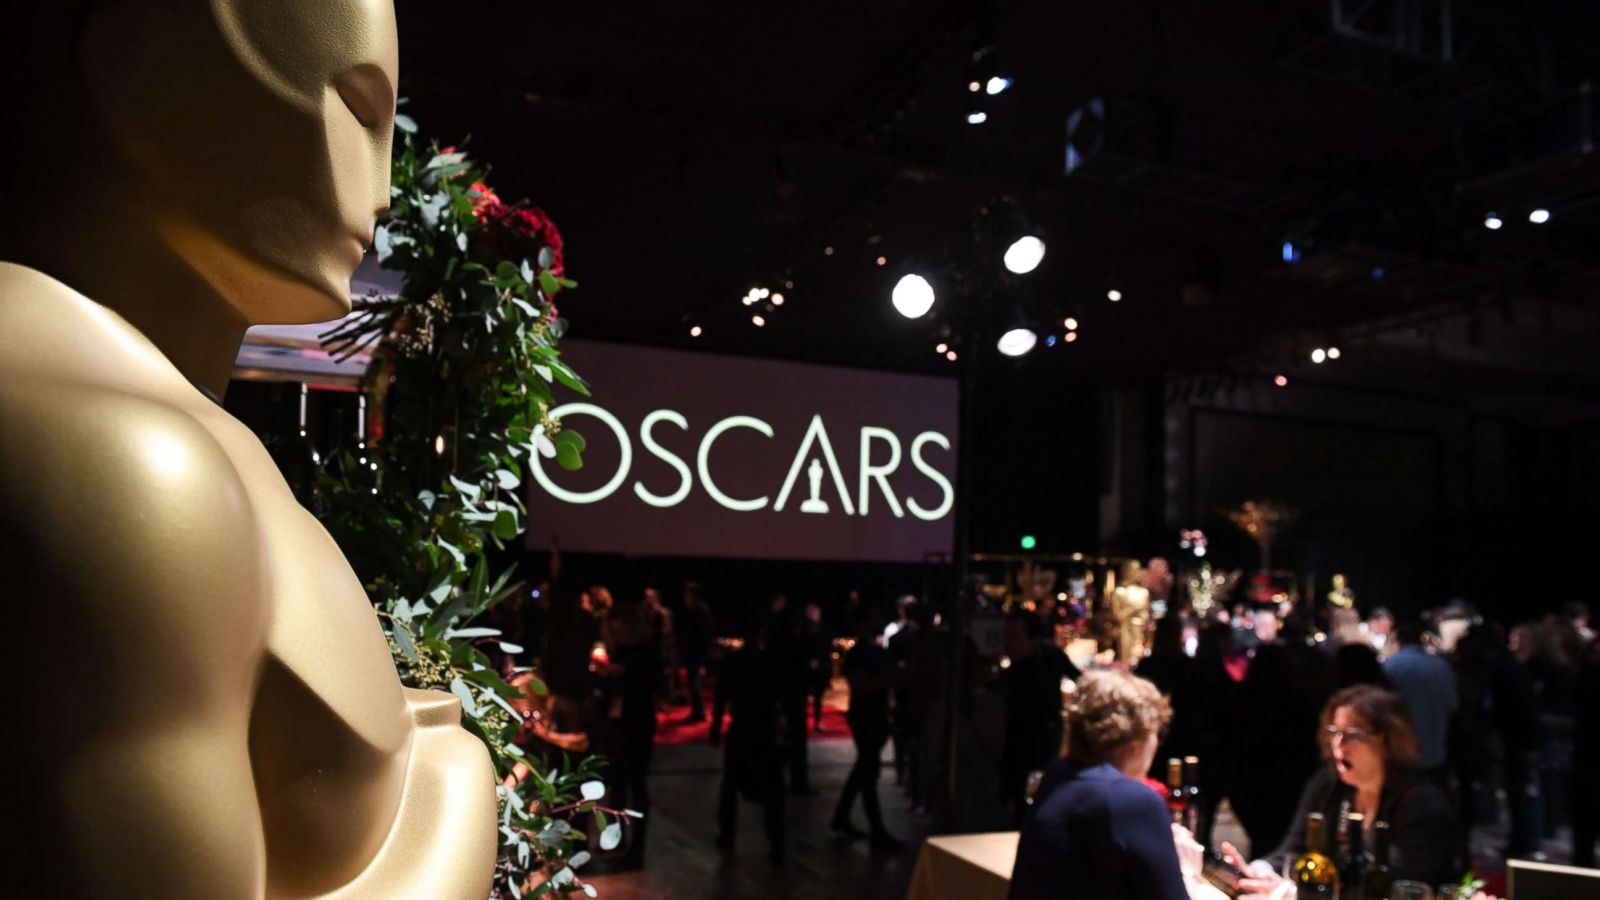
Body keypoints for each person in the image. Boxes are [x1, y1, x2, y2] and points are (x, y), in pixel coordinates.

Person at [1222, 685, 1459, 893]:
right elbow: (1294, 849)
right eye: (1333, 733)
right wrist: (1257, 871)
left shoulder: (1422, 803)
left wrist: (1296, 891)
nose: (1338, 746)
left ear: (1387, 740)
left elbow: (1398, 886)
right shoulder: (1329, 784)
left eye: (1351, 735)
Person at [1010, 670, 1189, 900]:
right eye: (1157, 733)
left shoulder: (1055, 777)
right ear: (1136, 742)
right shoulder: (1131, 800)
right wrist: (1188, 873)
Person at [596, 590, 665, 869]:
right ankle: (619, 840)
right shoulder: (622, 651)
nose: (615, 632)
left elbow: (651, 686)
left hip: (637, 722)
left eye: (618, 627)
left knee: (636, 783)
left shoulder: (647, 650)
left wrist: (622, 676)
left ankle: (636, 848)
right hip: (618, 722)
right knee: (618, 783)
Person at [713, 618, 787, 863]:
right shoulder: (770, 662)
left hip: (744, 725)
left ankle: (727, 833)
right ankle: (776, 842)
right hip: (763, 727)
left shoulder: (734, 662)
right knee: (771, 788)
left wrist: (715, 725)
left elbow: (721, 696)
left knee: (731, 783)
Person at [830, 612, 904, 850]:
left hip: (871, 716)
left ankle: (842, 817)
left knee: (864, 768)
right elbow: (862, 686)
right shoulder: (862, 654)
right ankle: (877, 831)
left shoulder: (868, 652)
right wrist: (889, 680)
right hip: (867, 717)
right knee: (867, 772)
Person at [998, 611, 1081, 823]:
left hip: (1045, 735)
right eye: (1006, 635)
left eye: (1014, 636)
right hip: (1016, 737)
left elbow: (1081, 681)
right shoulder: (1011, 668)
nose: (1007, 642)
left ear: (1033, 638)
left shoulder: (1051, 656)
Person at [1382, 621, 1458, 780]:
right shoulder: (1440, 667)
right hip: (1436, 751)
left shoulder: (1390, 667)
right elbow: (1452, 705)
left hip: (1403, 755)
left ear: (1397, 640)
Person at [676, 581, 714, 722]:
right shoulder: (700, 609)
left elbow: (699, 633)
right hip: (695, 650)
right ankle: (698, 710)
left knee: (694, 681)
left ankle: (699, 712)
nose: (685, 597)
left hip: (694, 650)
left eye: (687, 594)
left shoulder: (698, 610)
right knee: (693, 681)